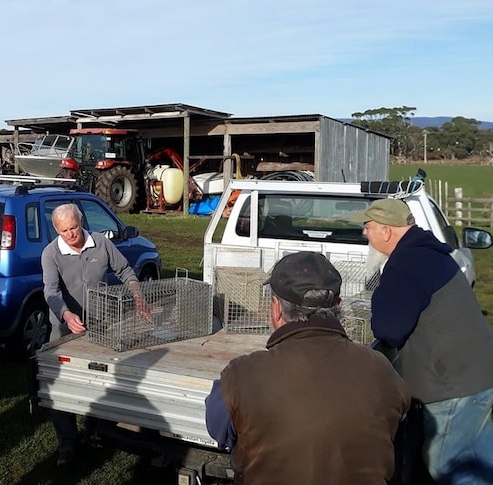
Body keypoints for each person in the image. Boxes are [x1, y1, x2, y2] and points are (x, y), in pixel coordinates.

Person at [205, 251, 410, 484]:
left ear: (276, 309)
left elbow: (217, 426)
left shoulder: (243, 374)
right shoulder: (382, 370)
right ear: (339, 306)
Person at [351, 198, 493, 482]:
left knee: (453, 470)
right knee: (478, 464)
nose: (365, 235)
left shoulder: (407, 264)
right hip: (477, 377)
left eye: (367, 228)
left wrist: (378, 297)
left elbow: (389, 329)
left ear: (386, 231)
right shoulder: (430, 254)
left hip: (451, 388)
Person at [41, 203, 143, 467]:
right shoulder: (50, 254)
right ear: (56, 230)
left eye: (74, 227)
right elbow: (51, 292)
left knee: (102, 381)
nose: (71, 234)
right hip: (66, 330)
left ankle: (96, 431)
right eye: (64, 231)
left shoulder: (101, 243)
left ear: (81, 222)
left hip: (103, 326)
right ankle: (67, 444)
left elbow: (125, 271)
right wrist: (65, 314)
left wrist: (137, 292)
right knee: (60, 388)